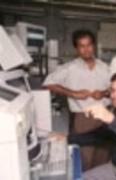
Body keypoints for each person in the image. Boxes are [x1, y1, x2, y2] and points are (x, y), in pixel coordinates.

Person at [51, 72, 116, 180]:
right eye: (112, 90)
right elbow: (97, 135)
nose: (114, 95)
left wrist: (109, 117)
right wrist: (67, 138)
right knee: (79, 178)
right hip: (115, 170)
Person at [43, 29, 110, 171]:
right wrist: (73, 93)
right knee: (84, 159)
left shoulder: (105, 68)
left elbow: (114, 89)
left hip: (105, 117)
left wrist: (104, 93)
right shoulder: (69, 68)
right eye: (82, 46)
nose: (86, 49)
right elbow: (47, 83)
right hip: (83, 119)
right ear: (76, 48)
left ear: (94, 45)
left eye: (89, 45)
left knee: (103, 158)